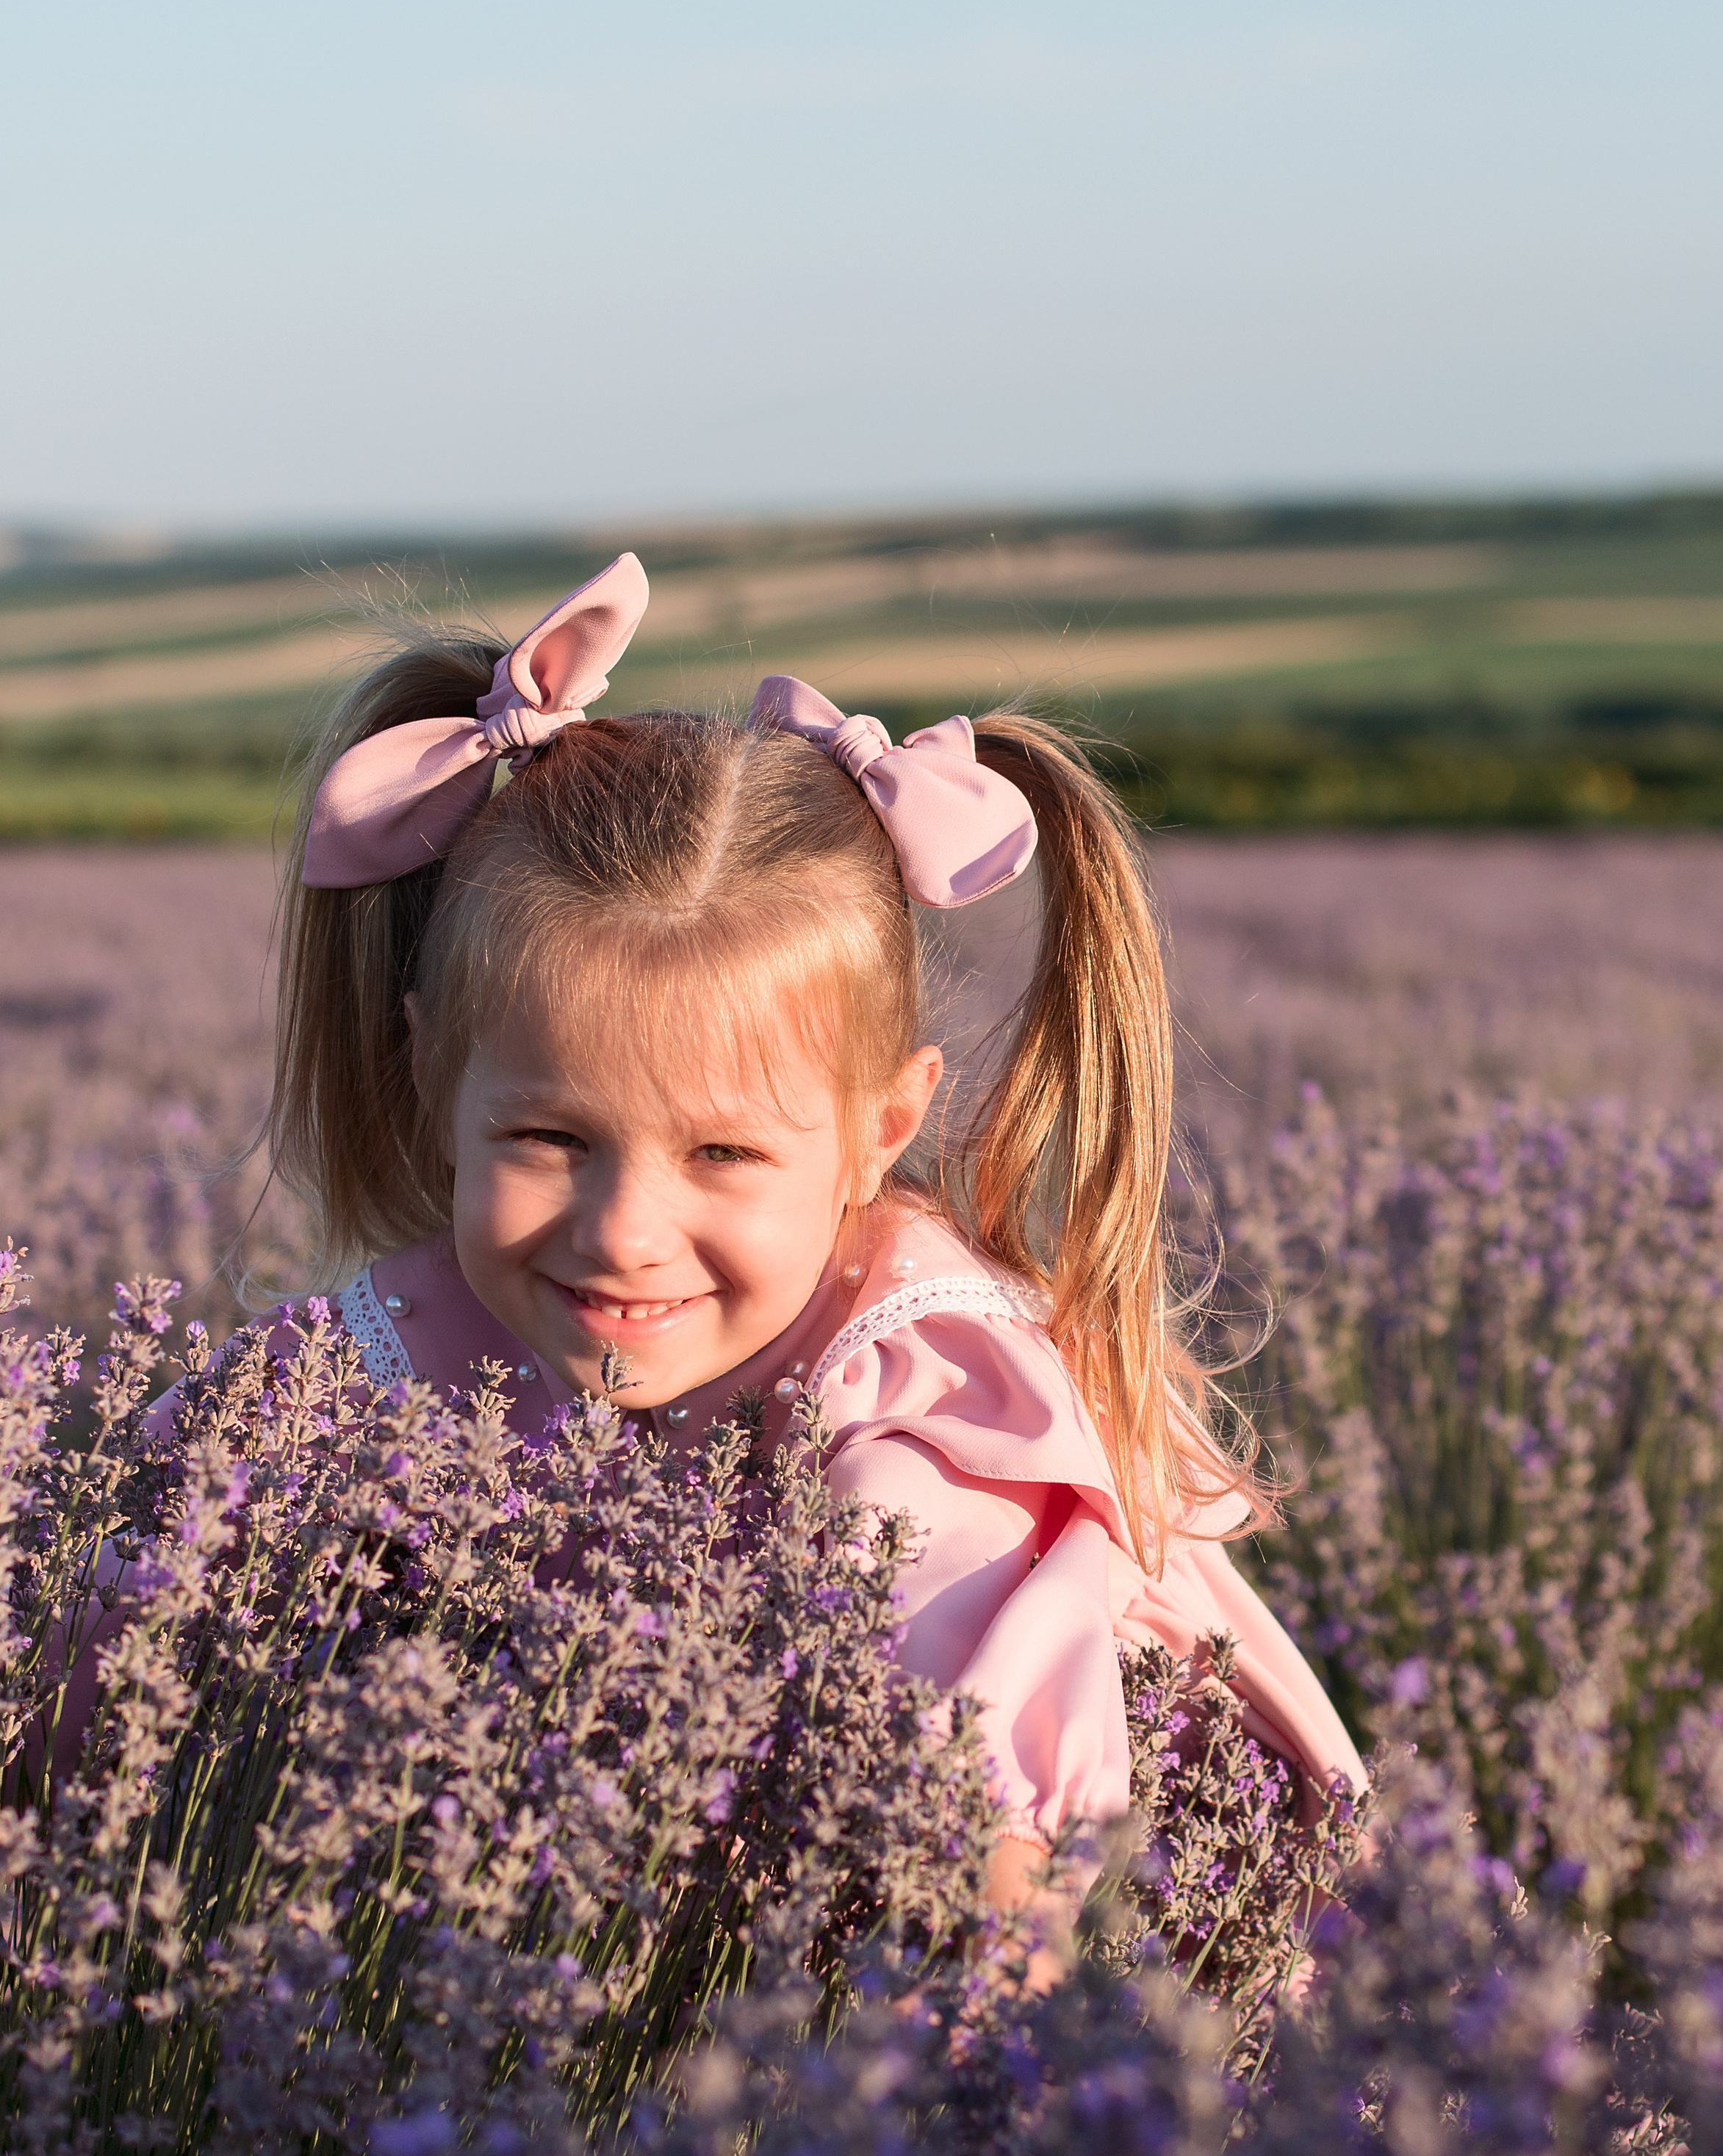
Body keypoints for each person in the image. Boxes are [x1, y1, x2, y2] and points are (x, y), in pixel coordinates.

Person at [190, 554, 1367, 1922]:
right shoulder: (411, 1338)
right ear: (432, 1079)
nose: (623, 1234)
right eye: (551, 1139)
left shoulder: (917, 1413)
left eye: (724, 1155)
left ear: (880, 1131)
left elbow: (984, 1840)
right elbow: (125, 1600)